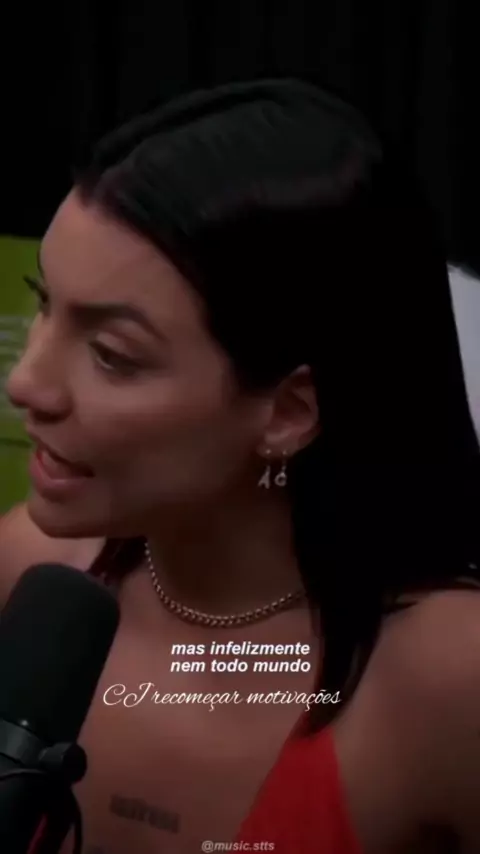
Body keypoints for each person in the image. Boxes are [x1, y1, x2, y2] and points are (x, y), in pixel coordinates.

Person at [1, 78, 479, 854]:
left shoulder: (450, 680)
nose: (27, 383)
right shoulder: (30, 575)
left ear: (288, 412)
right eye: (45, 304)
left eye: (113, 355)